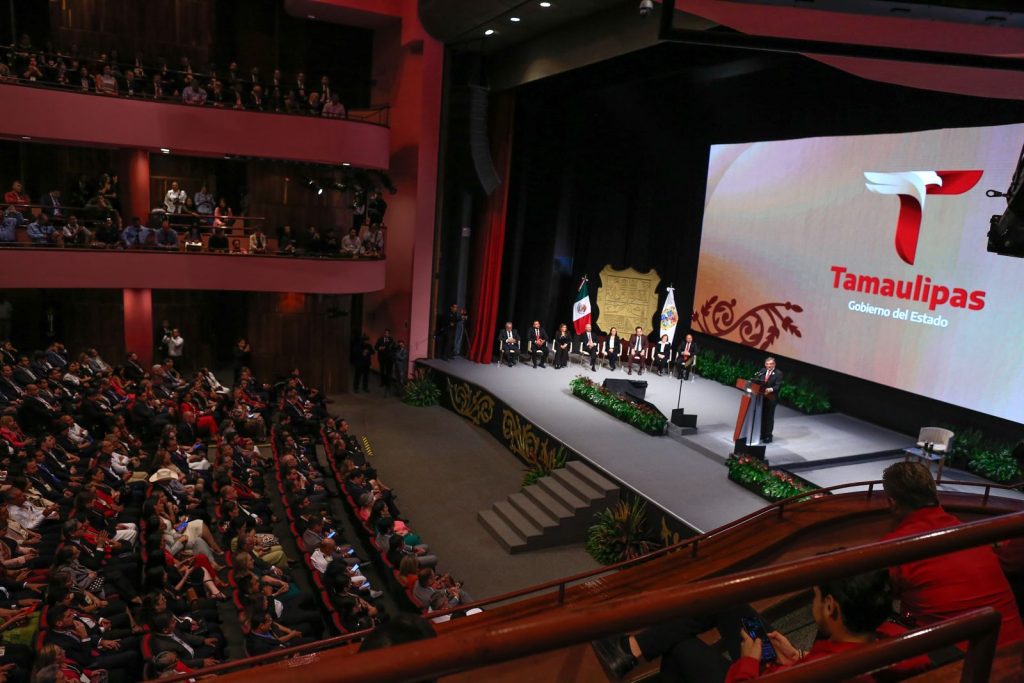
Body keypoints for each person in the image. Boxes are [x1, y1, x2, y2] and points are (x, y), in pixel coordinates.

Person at [593, 570, 927, 683]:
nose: (813, 602)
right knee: (725, 601)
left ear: (830, 606)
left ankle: (631, 651)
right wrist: (798, 658)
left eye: (814, 595)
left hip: (756, 675)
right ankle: (631, 649)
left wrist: (751, 661)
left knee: (681, 650)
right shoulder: (886, 643)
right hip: (785, 667)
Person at [880, 461, 1024, 646]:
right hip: (1016, 648)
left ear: (892, 503)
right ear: (934, 493)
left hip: (961, 658)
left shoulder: (894, 548)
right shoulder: (970, 534)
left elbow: (870, 600)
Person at [753, 357, 781, 443]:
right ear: (765, 364)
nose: (769, 366)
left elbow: (778, 386)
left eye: (771, 364)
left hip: (771, 399)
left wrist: (770, 389)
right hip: (761, 398)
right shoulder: (762, 370)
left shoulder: (778, 373)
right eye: (767, 364)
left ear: (774, 364)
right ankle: (761, 434)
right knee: (761, 416)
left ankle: (768, 436)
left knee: (768, 418)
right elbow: (757, 381)